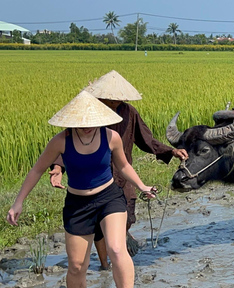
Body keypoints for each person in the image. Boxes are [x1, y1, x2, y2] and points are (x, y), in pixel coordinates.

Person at [7, 90, 156, 288]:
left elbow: (124, 166)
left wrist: (142, 186)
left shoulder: (110, 137)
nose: (87, 127)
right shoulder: (60, 141)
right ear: (72, 121)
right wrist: (18, 203)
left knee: (117, 249)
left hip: (109, 198)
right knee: (77, 265)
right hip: (77, 204)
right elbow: (36, 170)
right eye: (81, 123)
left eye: (91, 122)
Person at [49, 70, 188, 268]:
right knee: (98, 225)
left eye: (117, 100)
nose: (114, 104)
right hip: (95, 176)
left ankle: (119, 247)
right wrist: (58, 167)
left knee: (127, 216)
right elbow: (70, 143)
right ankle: (106, 264)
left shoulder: (129, 112)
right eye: (109, 100)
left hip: (122, 176)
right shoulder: (88, 114)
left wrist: (171, 151)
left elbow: (146, 139)